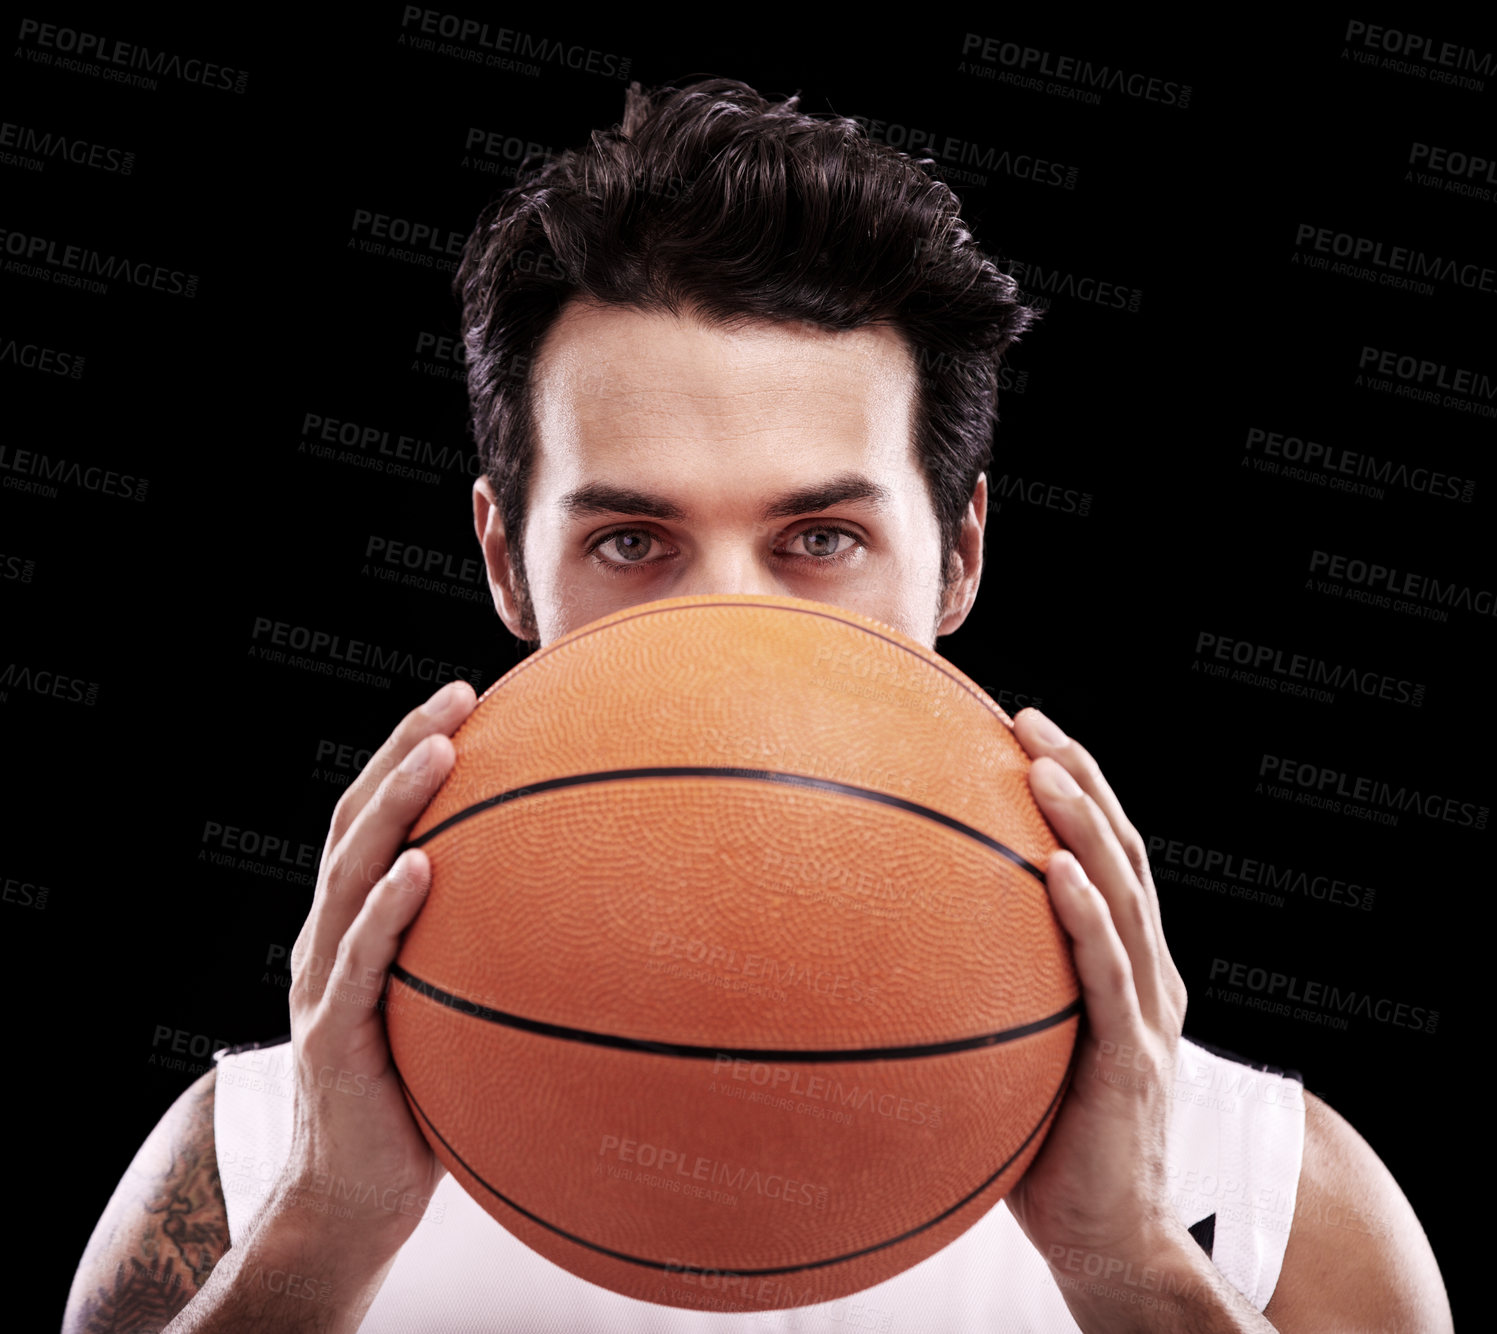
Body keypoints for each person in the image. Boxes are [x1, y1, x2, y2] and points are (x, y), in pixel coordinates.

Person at [64, 78, 1451, 1333]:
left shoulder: (1268, 1203)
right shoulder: (253, 1180)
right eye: (630, 543)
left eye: (819, 541)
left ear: (961, 551)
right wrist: (326, 1235)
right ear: (502, 559)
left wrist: (1125, 1265)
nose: (726, 633)